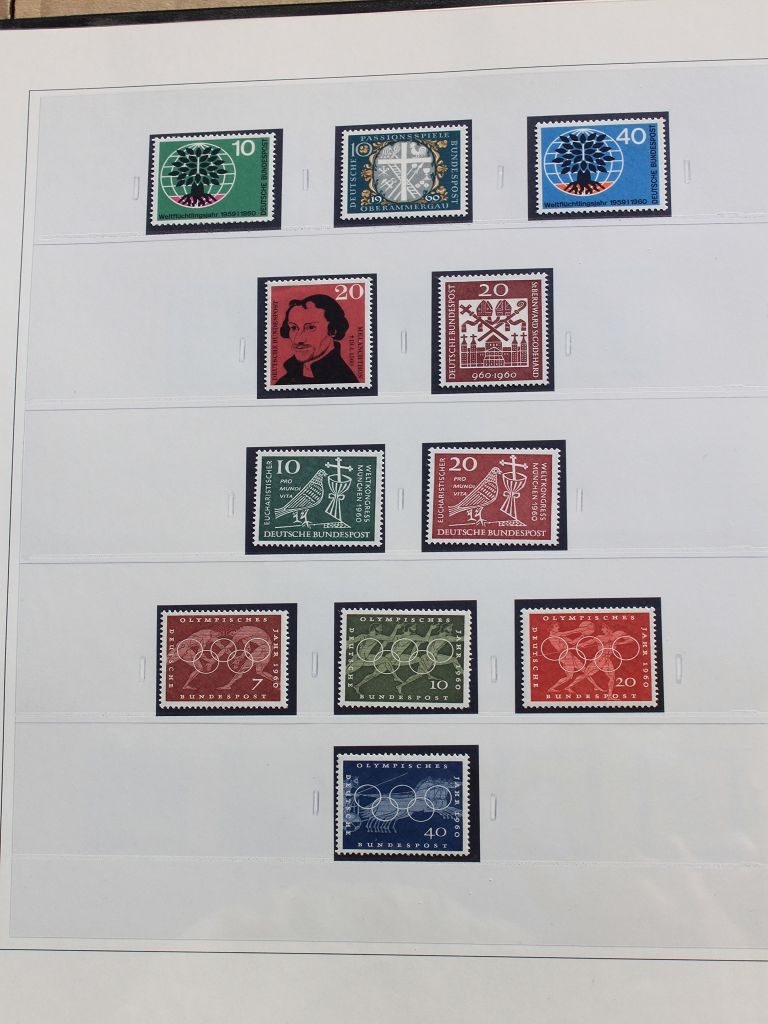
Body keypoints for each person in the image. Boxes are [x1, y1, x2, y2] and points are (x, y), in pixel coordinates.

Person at [276, 293, 358, 384]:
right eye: (294, 327)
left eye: (311, 327)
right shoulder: (285, 381)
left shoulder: (345, 381)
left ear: (333, 330)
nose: (298, 339)